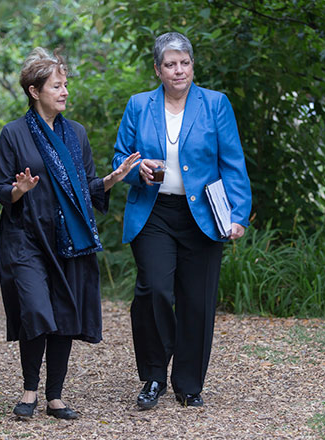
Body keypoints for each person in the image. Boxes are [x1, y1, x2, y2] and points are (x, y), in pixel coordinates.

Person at [0, 47, 140, 420]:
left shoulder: (77, 134)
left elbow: (87, 185)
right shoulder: (13, 134)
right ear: (34, 90)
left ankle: (55, 396)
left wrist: (110, 180)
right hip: (26, 237)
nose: (65, 92)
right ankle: (29, 390)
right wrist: (20, 190)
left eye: (66, 84)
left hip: (68, 240)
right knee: (36, 309)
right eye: (56, 85)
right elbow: (0, 188)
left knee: (61, 314)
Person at [112, 32, 252, 409]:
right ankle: (154, 376)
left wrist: (237, 215)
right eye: (170, 64)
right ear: (158, 69)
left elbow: (232, 162)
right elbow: (119, 159)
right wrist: (135, 168)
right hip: (154, 213)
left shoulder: (216, 104)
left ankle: (188, 384)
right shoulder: (139, 106)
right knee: (153, 290)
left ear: (193, 66)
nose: (179, 70)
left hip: (203, 215)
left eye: (185, 63)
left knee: (198, 302)